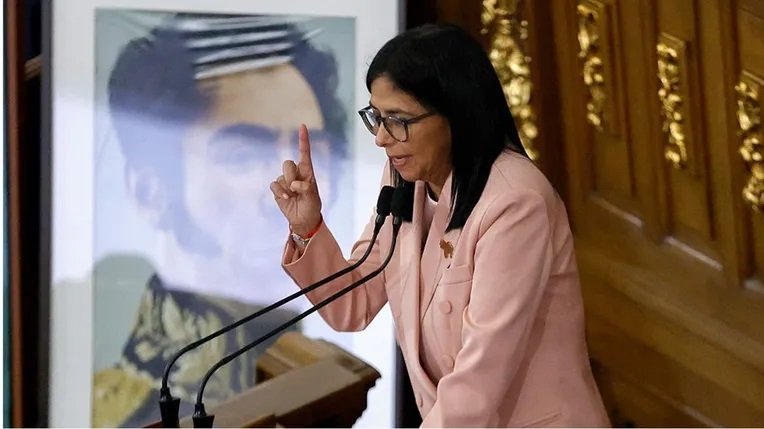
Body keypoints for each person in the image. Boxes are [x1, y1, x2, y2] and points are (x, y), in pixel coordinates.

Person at [271, 24, 611, 427]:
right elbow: (353, 305)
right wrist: (308, 228)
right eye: (377, 117)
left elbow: (477, 384)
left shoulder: (516, 203)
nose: (381, 138)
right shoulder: (404, 178)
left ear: (454, 113)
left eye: (397, 120)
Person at [92, 13, 350, 427]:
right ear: (150, 189)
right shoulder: (118, 411)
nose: (293, 191)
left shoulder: (331, 370)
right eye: (243, 156)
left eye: (309, 157)